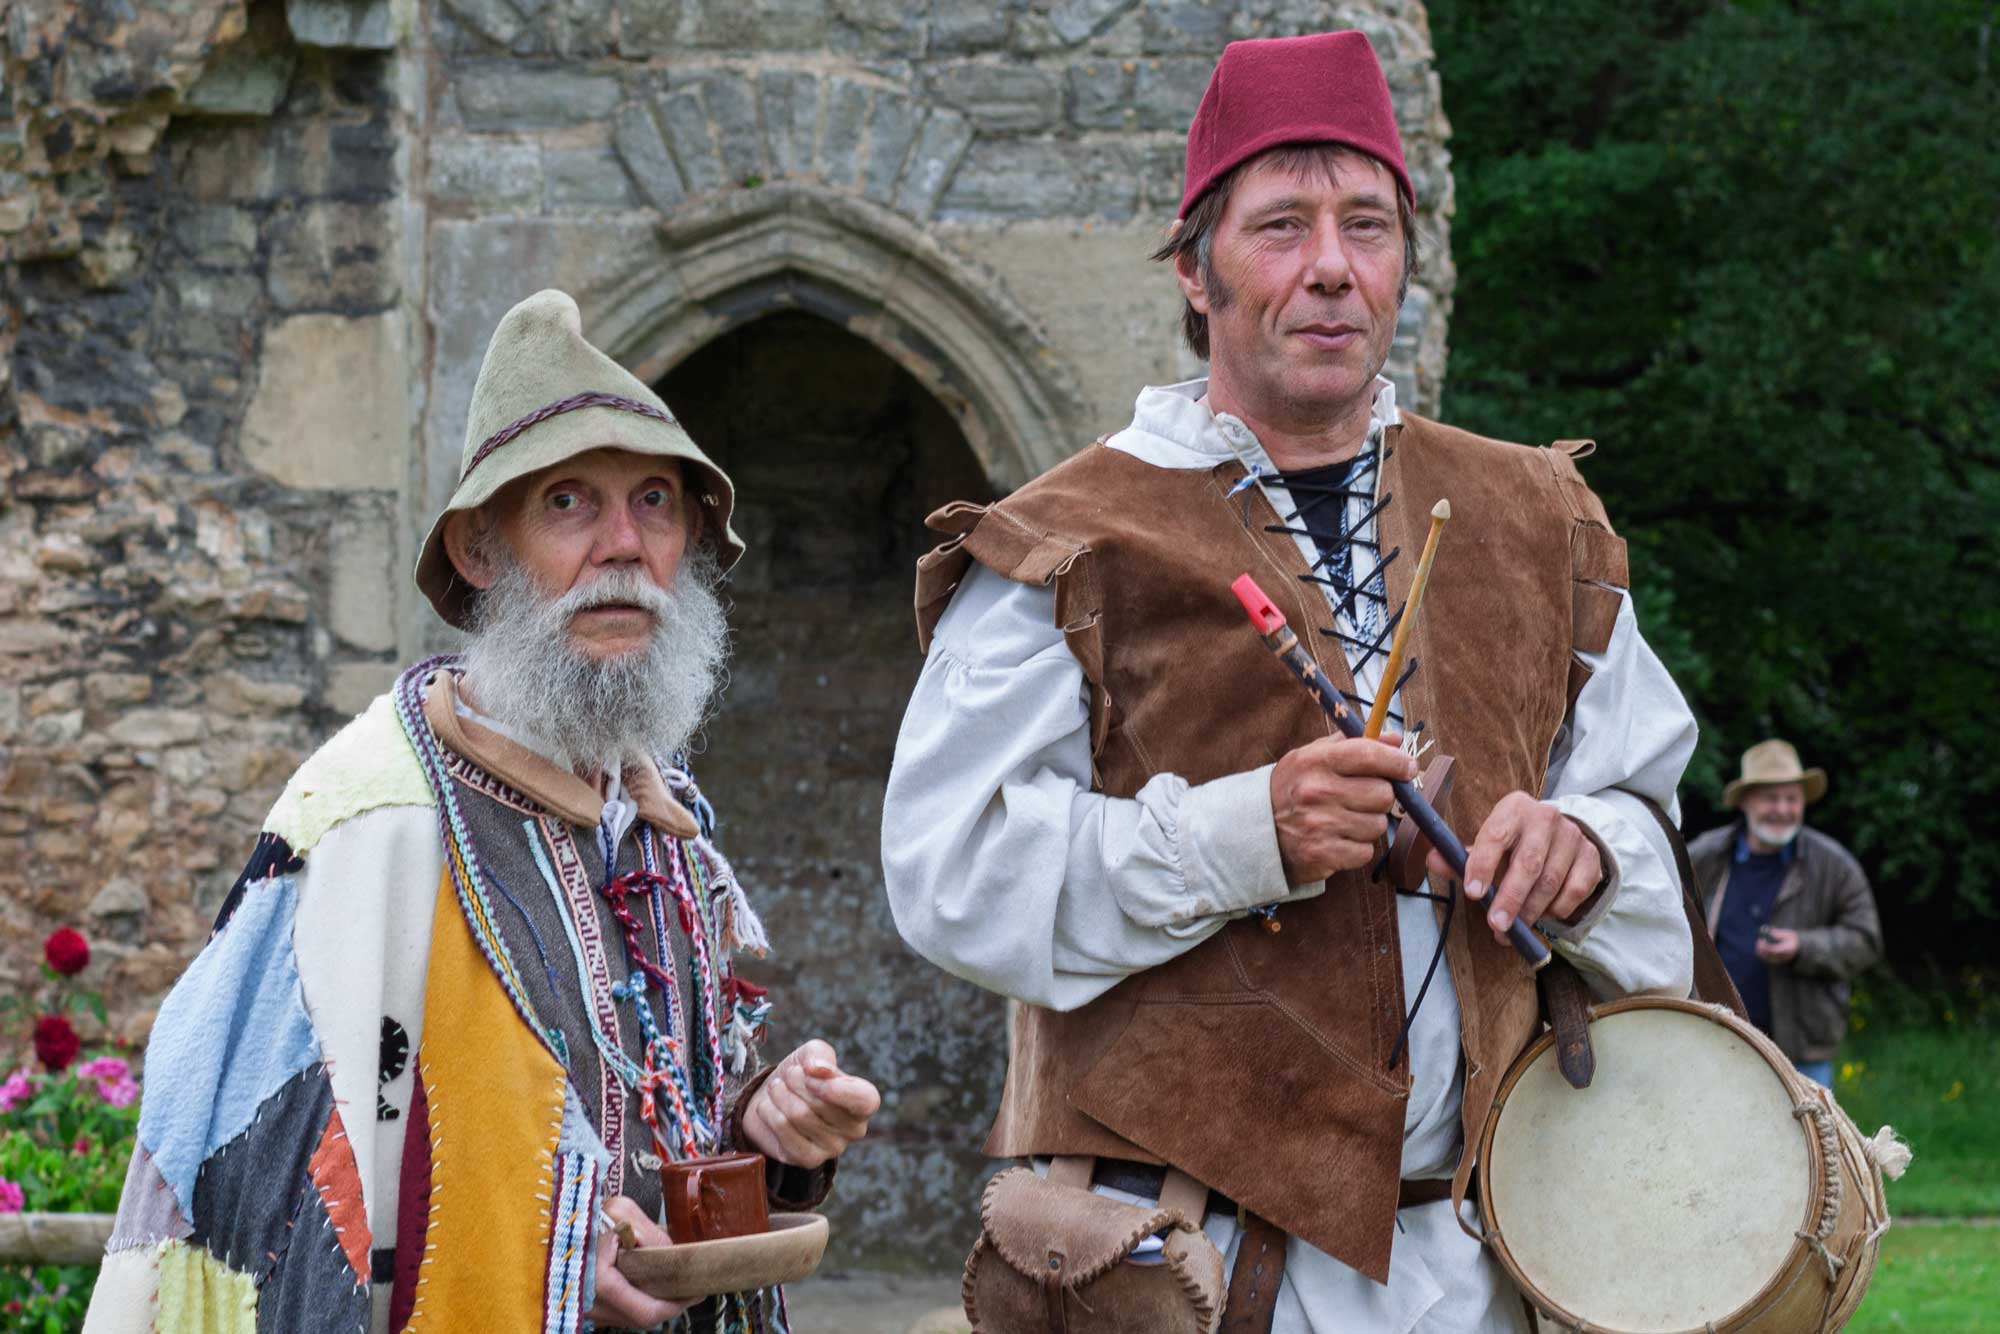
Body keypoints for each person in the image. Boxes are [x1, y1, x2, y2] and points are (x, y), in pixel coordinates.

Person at [881, 30, 1701, 1334]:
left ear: (1404, 258)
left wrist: (1588, 851)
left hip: (1496, 1256)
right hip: (1175, 1264)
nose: (1330, 267)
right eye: (1280, 226)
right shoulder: (1071, 539)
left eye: (1366, 223)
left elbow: (1646, 804)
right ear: (1194, 268)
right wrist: (1238, 836)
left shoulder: (1536, 517)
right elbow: (948, 869)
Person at [84, 290, 880, 1334]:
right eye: (566, 502)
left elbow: (668, 1109)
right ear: (478, 550)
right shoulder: (372, 817)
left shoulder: (662, 813)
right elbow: (257, 1187)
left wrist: (767, 1120)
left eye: (654, 501)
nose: (621, 545)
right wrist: (544, 1251)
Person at [1689, 739, 1882, 1088]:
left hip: (1802, 1049)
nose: (1782, 809)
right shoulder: (1705, 857)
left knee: (1808, 1142)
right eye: (1770, 798)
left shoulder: (1833, 865)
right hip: (1715, 1036)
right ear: (1746, 802)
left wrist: (1803, 946)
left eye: (1791, 799)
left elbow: (1866, 939)